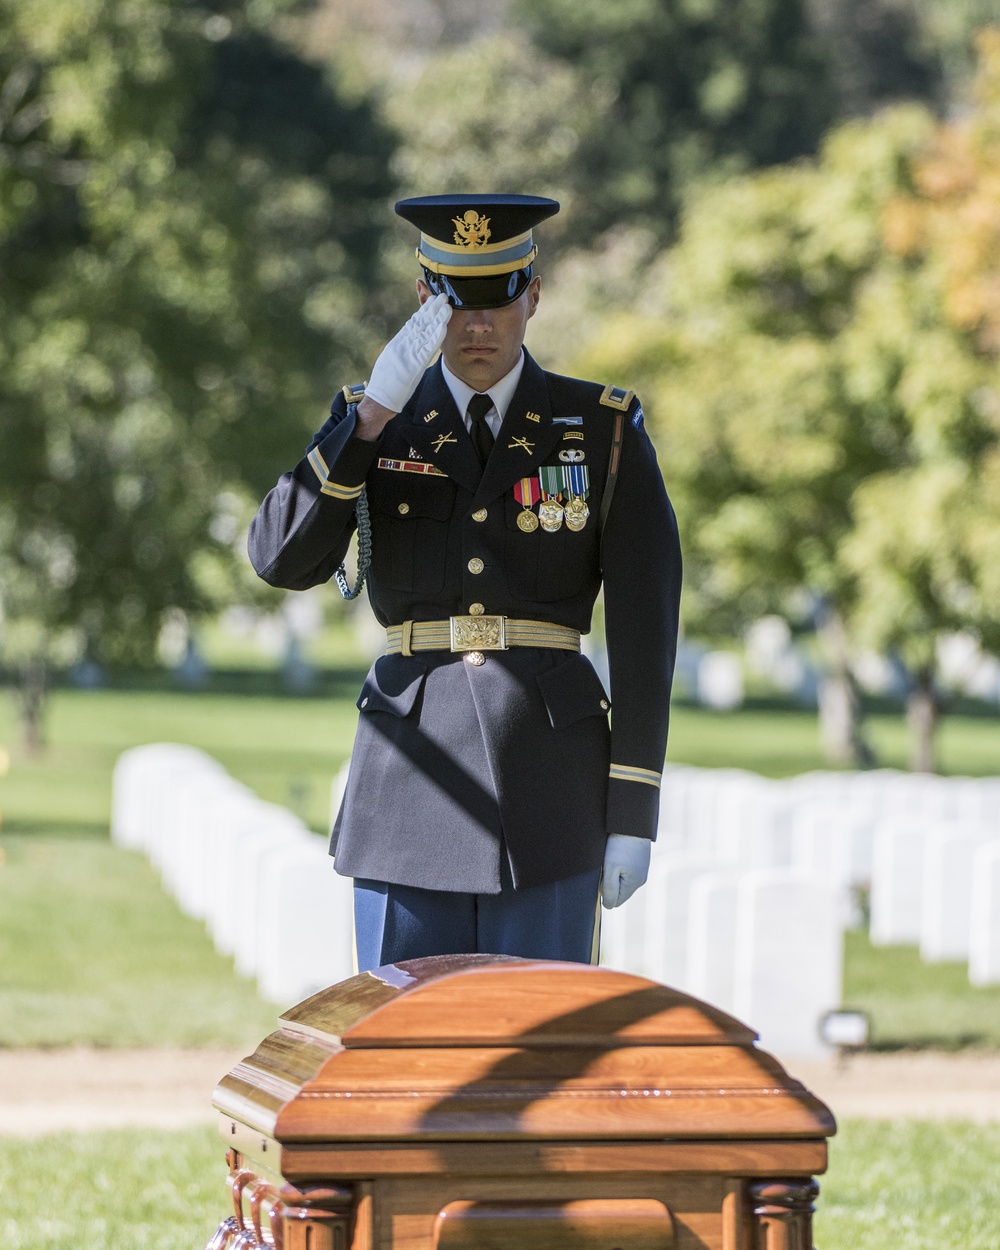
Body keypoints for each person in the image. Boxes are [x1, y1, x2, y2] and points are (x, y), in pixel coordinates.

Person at [248, 194, 681, 971]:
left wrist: (633, 812)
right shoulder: (377, 419)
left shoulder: (601, 429)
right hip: (409, 785)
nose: (477, 326)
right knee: (400, 1058)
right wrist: (372, 415)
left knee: (537, 1061)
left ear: (534, 298)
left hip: (551, 791)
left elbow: (648, 636)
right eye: (455, 303)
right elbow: (282, 558)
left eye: (499, 300)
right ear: (423, 302)